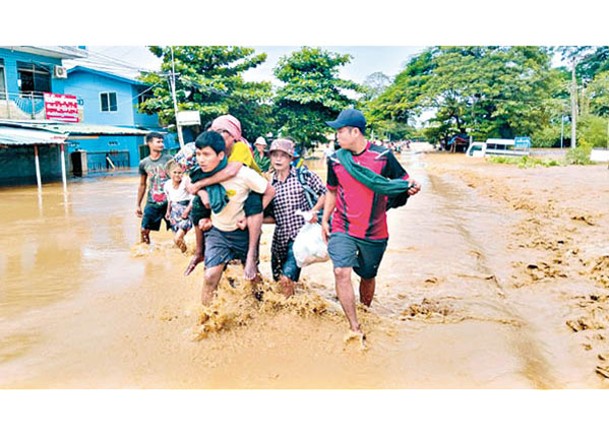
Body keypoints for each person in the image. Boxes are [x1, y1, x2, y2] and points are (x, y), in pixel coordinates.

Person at [321, 108, 421, 338]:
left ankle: (366, 311)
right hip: (342, 227)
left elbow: (403, 182)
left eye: (340, 131)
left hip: (374, 231)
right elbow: (332, 192)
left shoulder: (382, 156)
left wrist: (411, 189)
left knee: (367, 275)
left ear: (355, 132)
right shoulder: (335, 159)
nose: (337, 137)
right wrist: (325, 220)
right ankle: (355, 327)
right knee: (340, 271)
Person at [178, 114, 265, 280]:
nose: (217, 134)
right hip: (226, 205)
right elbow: (193, 176)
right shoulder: (210, 150)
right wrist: (199, 190)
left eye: (223, 131)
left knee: (252, 203)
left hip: (252, 190)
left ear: (234, 136)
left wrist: (200, 185)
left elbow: (231, 171)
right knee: (198, 204)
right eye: (215, 130)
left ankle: (251, 257)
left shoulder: (240, 147)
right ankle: (199, 252)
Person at [193, 131, 275, 305]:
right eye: (198, 154)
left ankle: (263, 306)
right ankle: (207, 321)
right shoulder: (200, 173)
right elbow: (189, 184)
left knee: (252, 279)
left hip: (243, 232)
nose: (201, 159)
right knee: (210, 276)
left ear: (221, 155)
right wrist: (203, 202)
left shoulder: (244, 174)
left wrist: (248, 218)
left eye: (206, 154)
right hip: (218, 232)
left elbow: (270, 191)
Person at [263, 138, 326, 297]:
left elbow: (326, 194)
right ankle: (287, 306)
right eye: (275, 155)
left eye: (283, 155)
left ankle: (289, 318)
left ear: (291, 158)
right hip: (279, 239)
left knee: (286, 280)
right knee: (277, 281)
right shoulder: (269, 183)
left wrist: (314, 211)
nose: (278, 159)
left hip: (300, 238)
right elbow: (271, 215)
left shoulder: (303, 176)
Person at [136, 132, 172, 244]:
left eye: (162, 142)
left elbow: (177, 178)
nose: (161, 144)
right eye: (158, 142)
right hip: (152, 202)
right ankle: (146, 255)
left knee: (178, 230)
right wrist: (138, 204)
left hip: (169, 202)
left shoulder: (169, 159)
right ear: (149, 143)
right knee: (144, 231)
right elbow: (142, 184)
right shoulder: (143, 163)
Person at [163, 161, 194, 253]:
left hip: (185, 213)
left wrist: (187, 211)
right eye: (175, 172)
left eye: (180, 172)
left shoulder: (185, 182)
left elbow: (193, 197)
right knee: (180, 240)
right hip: (174, 214)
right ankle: (186, 254)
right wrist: (168, 211)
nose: (177, 175)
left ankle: (188, 254)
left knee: (177, 239)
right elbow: (170, 199)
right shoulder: (167, 184)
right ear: (170, 173)